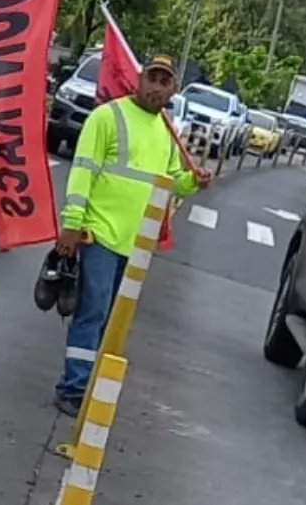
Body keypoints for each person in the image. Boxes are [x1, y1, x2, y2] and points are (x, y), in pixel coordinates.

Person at [53, 56, 212, 415]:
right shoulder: (107, 117)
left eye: (164, 82)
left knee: (110, 318)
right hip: (99, 234)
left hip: (136, 245)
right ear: (139, 80)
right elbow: (82, 173)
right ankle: (73, 388)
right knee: (92, 311)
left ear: (173, 90)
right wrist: (73, 224)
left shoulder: (168, 133)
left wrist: (194, 181)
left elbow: (172, 182)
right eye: (152, 79)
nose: (157, 87)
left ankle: (87, 384)